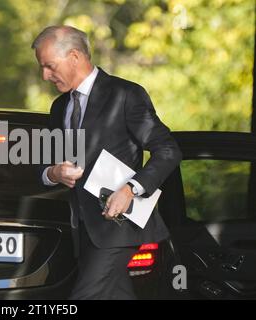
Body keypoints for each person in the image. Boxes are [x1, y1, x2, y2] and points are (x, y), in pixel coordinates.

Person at [32, 25, 182, 300]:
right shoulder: (59, 107)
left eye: (50, 66)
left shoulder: (125, 95)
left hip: (118, 228)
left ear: (74, 57)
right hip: (82, 230)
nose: (45, 76)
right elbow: (40, 165)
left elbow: (168, 151)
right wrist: (53, 172)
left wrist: (129, 189)